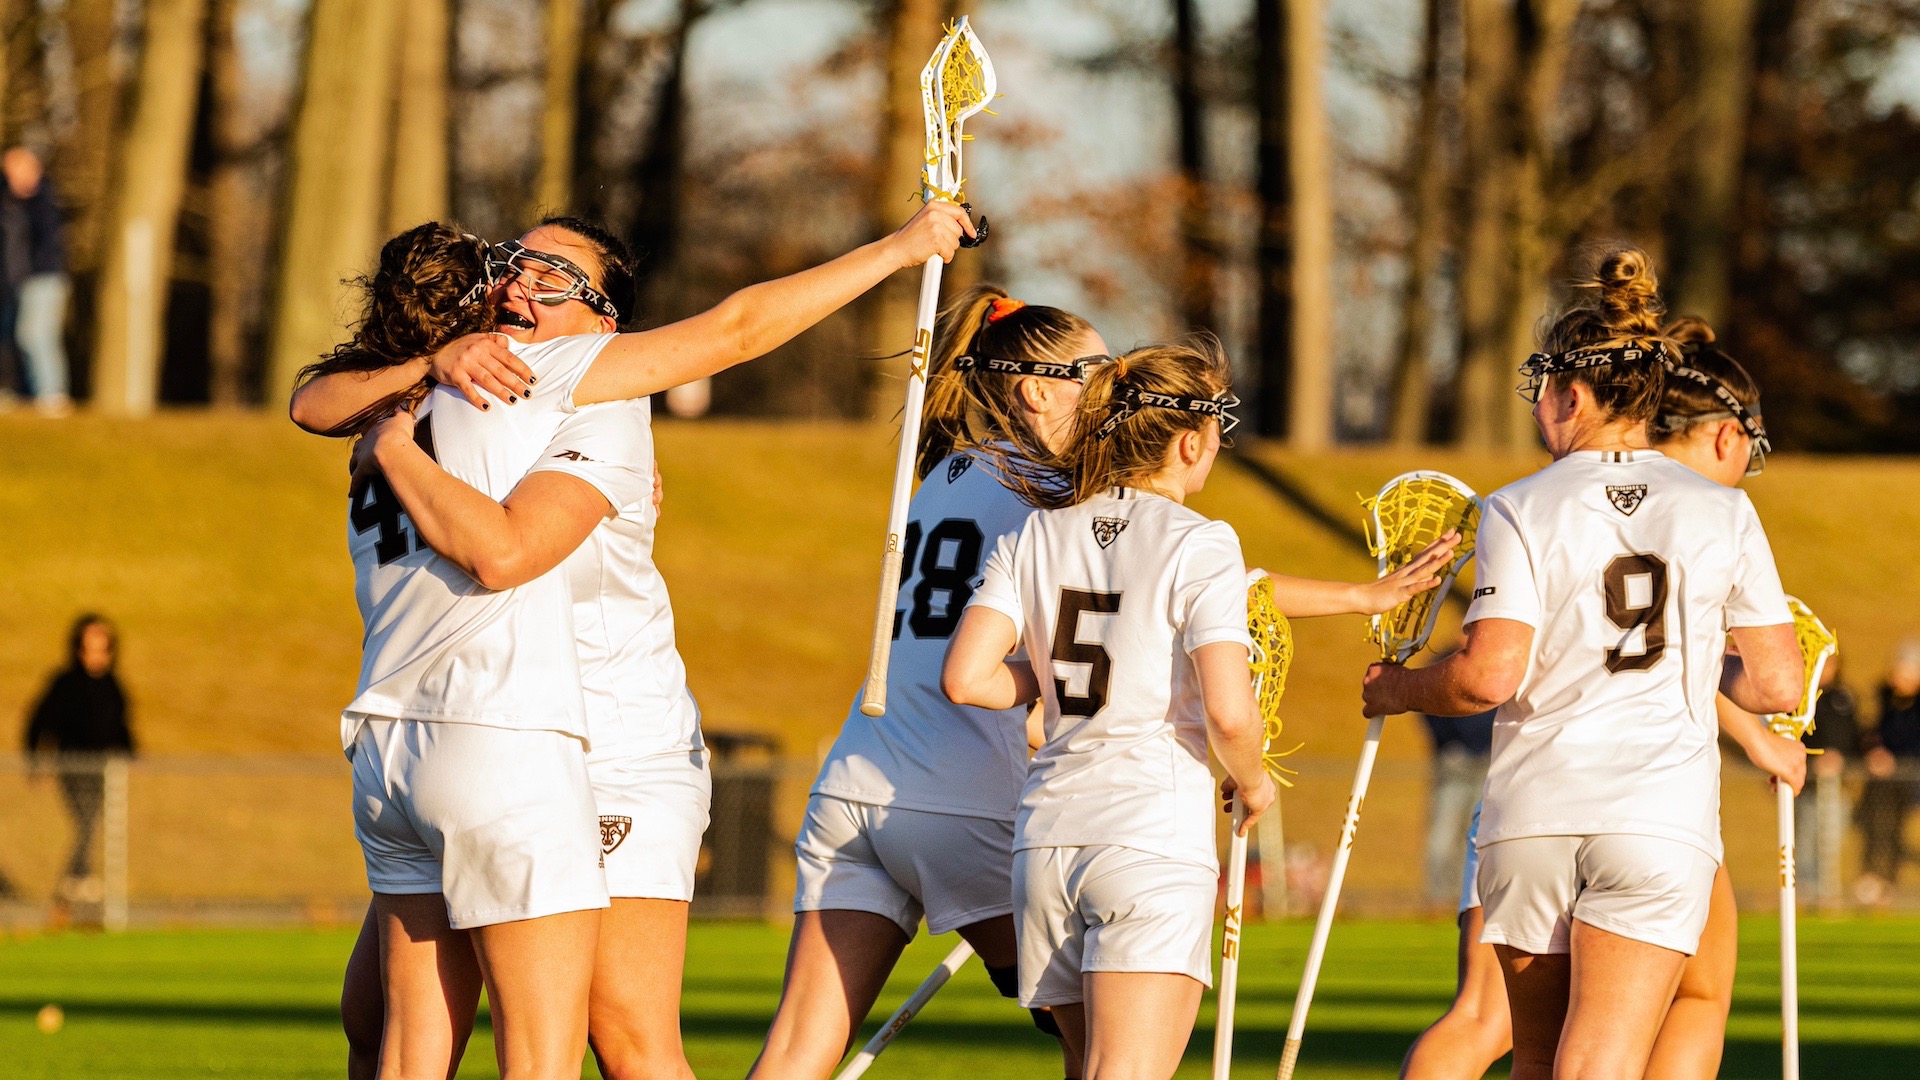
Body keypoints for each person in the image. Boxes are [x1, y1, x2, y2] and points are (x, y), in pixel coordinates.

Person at [295, 204, 971, 1080]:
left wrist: (902, 248)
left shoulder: (589, 385)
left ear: (607, 321)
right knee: (375, 1010)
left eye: (556, 277)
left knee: (620, 1033)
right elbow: (310, 401)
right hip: (475, 727)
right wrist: (419, 378)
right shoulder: (456, 385)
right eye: (513, 264)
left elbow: (736, 330)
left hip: (607, 738)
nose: (521, 285)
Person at [940, 338, 1458, 1080]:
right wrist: (1253, 785)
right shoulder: (1200, 540)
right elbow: (1231, 713)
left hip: (1047, 842)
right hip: (1148, 836)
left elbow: (967, 678)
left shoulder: (1038, 533)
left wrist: (1053, 682)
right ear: (1191, 441)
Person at [1361, 248, 1803, 1080]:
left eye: (1542, 396)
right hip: (1656, 817)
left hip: (1531, 815)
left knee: (1535, 1059)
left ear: (1573, 393)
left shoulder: (1518, 505)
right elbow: (1778, 683)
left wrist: (1398, 688)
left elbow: (1487, 676)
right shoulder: (1723, 508)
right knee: (1599, 1057)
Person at [24, 614, 134, 906]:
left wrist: (131, 752)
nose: (98, 655)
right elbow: (39, 722)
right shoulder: (65, 684)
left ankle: (73, 884)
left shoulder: (113, 686)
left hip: (104, 769)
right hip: (73, 766)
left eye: (104, 648)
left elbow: (120, 726)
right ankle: (75, 883)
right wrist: (36, 761)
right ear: (78, 649)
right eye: (91, 647)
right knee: (86, 822)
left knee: (91, 823)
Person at [1, 146, 71, 415]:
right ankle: (27, 392)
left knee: (35, 335)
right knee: (15, 336)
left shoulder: (45, 201)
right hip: (15, 282)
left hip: (43, 278)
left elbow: (45, 244)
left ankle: (52, 393)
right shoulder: (9, 201)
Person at [1857, 639, 1920, 905]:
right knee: (1882, 831)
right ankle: (1881, 883)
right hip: (1888, 788)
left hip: (1911, 780)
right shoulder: (1887, 700)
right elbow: (1873, 733)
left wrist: (1898, 760)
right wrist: (1876, 751)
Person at [1799, 653, 1860, 899]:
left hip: (1838, 785)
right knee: (1805, 839)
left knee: (1831, 841)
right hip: (1808, 785)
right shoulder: (1802, 700)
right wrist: (1813, 761)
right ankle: (1805, 892)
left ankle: (1827, 893)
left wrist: (1840, 758)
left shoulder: (1844, 699)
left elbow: (1853, 737)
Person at [1421, 703, 1493, 908]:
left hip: (1488, 759)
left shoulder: (1499, 672)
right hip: (1453, 762)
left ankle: (1473, 900)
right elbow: (1429, 708)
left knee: (1480, 833)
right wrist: (1448, 742)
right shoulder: (1437, 669)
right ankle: (1439, 899)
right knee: (1442, 834)